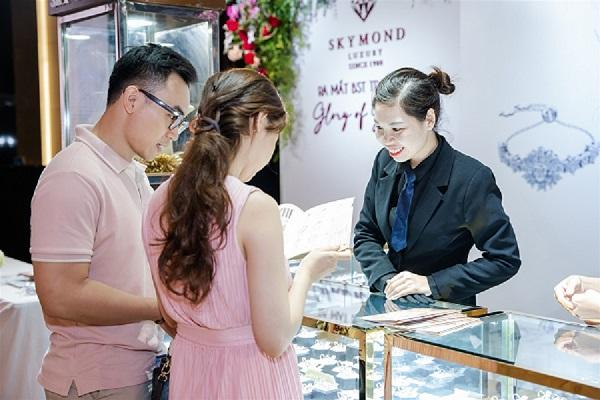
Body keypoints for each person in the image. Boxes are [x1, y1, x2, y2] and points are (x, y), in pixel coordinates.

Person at [142, 68, 347, 399]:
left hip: (191, 372)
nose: (270, 154)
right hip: (250, 377)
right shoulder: (253, 206)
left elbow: (168, 317)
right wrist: (308, 272)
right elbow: (275, 339)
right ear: (258, 122)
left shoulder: (159, 200)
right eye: (275, 136)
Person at [30, 44, 197, 399]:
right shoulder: (74, 174)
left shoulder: (132, 173)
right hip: (96, 379)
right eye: (173, 115)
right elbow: (60, 296)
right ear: (132, 99)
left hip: (133, 368)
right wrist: (162, 309)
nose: (175, 132)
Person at [353, 66, 521, 306]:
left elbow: (504, 259)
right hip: (388, 307)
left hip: (444, 313)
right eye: (379, 127)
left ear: (429, 119)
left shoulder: (470, 179)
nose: (386, 139)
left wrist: (430, 283)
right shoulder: (384, 162)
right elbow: (366, 233)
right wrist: (387, 279)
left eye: (397, 129)